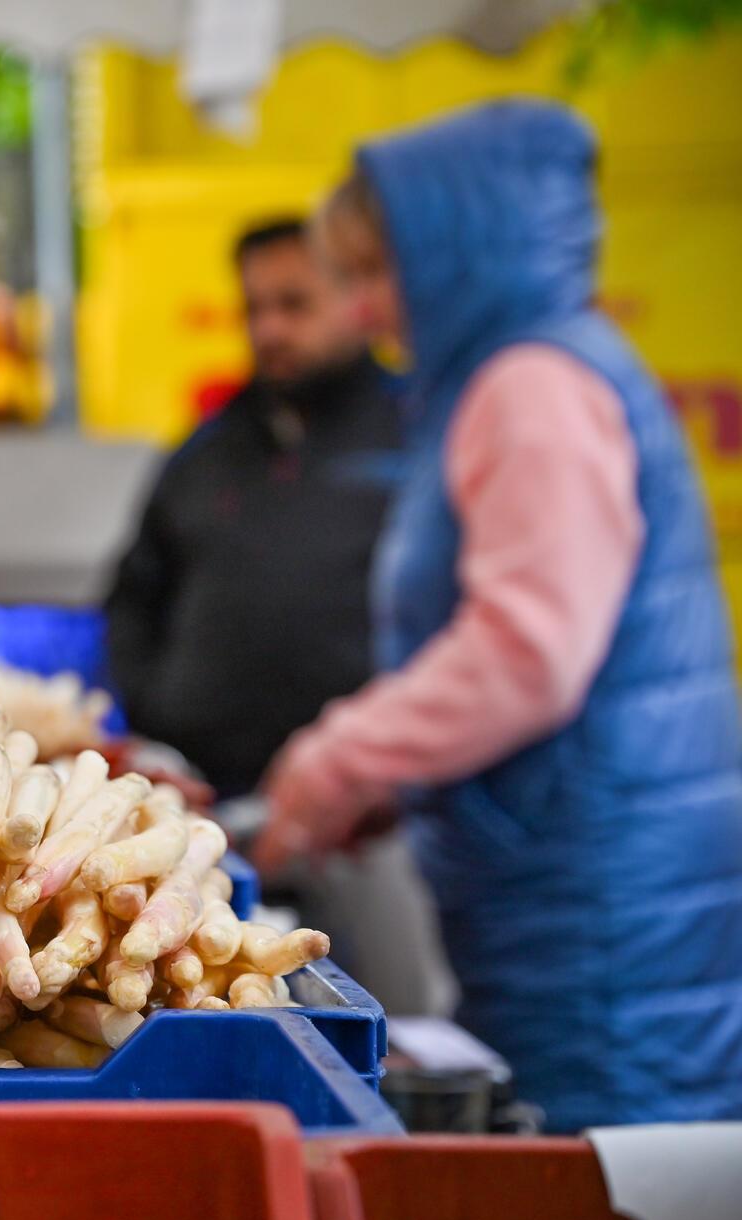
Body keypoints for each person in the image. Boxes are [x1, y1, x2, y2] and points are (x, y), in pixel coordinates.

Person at [257, 101, 742, 1129]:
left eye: (377, 274)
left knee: (605, 1165)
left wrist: (340, 758)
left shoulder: (533, 386)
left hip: (603, 914)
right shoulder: (525, 369)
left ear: (459, 254)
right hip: (579, 888)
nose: (366, 313)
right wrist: (412, 777)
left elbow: (529, 652)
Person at [106, 218, 401, 800]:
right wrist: (154, 716)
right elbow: (135, 595)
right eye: (254, 308)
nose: (269, 329)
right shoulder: (206, 448)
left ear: (358, 299)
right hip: (206, 803)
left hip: (374, 812)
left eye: (294, 305)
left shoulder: (421, 436)